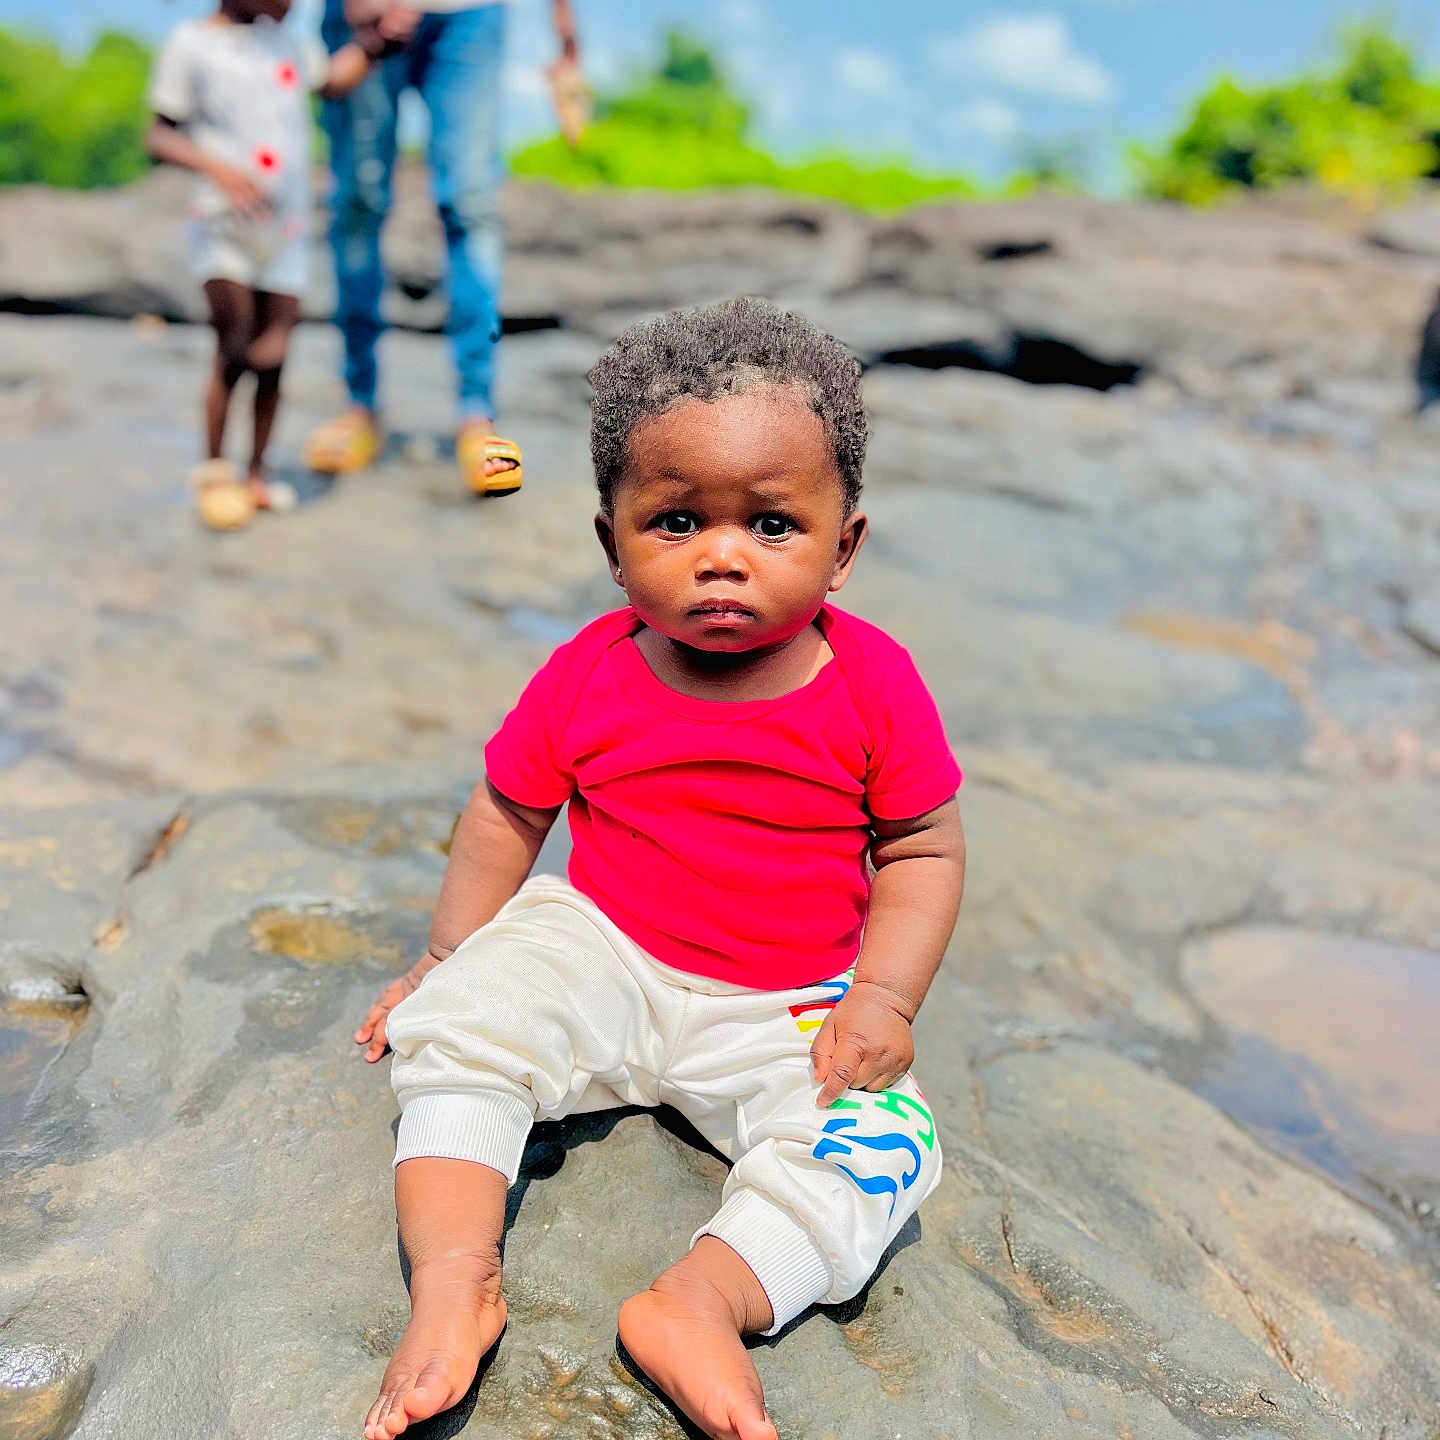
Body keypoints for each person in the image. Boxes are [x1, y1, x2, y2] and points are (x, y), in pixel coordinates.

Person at [354, 297, 967, 1440]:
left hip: (793, 1003)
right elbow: (507, 811)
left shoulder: (874, 683)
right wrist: (444, 957)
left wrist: (883, 997)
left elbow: (923, 846)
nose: (723, 559)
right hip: (608, 950)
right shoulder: (590, 673)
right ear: (611, 542)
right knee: (462, 1027)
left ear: (846, 545)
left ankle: (704, 1300)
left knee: (889, 1144)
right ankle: (455, 1277)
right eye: (677, 521)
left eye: (773, 527)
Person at [304, 0, 581, 497]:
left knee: (471, 207)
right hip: (359, 12)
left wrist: (564, 28)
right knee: (358, 203)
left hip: (469, 13)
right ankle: (357, 403)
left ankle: (478, 415)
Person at [146, 0, 382, 530]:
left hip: (286, 228)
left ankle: (255, 473)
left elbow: (332, 79)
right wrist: (218, 169)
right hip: (222, 224)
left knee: (274, 354)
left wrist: (374, 45)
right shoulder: (192, 43)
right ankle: (213, 471)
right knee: (234, 346)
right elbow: (159, 133)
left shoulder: (288, 42)